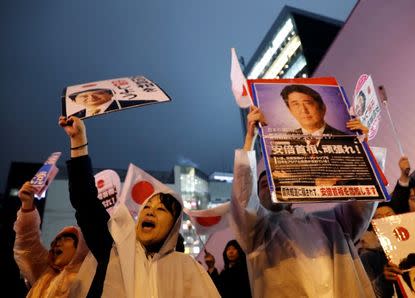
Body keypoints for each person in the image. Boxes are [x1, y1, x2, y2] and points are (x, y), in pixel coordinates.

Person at [59, 115, 220, 297]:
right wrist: (78, 141)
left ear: (173, 226)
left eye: (161, 209)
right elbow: (85, 201)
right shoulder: (114, 250)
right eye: (147, 207)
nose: (150, 212)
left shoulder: (187, 267)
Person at [229, 106, 376, 297]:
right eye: (263, 185)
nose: (269, 186)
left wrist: (360, 149)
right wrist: (250, 140)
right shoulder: (257, 235)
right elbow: (243, 201)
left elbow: (363, 199)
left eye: (275, 182)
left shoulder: (333, 222)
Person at [13, 181, 89, 297]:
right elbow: (27, 242)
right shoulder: (44, 273)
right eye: (56, 240)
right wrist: (27, 204)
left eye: (67, 238)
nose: (57, 243)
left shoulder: (89, 278)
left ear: (80, 248)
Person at [359, 202, 403, 297]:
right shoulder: (367, 257)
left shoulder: (413, 244)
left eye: (389, 215)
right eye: (379, 218)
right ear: (372, 227)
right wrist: (384, 279)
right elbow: (369, 292)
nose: (385, 220)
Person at [280, 84, 347, 136]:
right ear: (290, 110)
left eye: (308, 103)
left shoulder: (346, 139)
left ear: (323, 107)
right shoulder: (285, 141)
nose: (304, 110)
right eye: (296, 105)